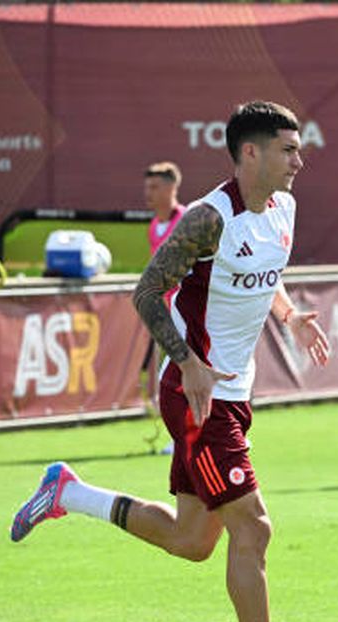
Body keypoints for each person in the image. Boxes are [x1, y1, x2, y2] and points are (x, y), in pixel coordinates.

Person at [10, 101, 338, 622]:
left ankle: (69, 493)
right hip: (197, 398)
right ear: (250, 153)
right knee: (255, 529)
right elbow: (146, 291)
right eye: (288, 149)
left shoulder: (285, 209)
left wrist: (290, 316)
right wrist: (186, 360)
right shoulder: (208, 218)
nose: (300, 160)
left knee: (193, 542)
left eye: (298, 149)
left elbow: (266, 278)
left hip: (234, 395)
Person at [141, 161, 186, 454]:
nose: (149, 193)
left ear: (172, 188)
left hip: (185, 311)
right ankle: (181, 435)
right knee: (168, 377)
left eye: (155, 187)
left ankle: (187, 436)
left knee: (182, 374)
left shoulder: (185, 220)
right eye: (147, 187)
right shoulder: (153, 227)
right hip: (164, 311)